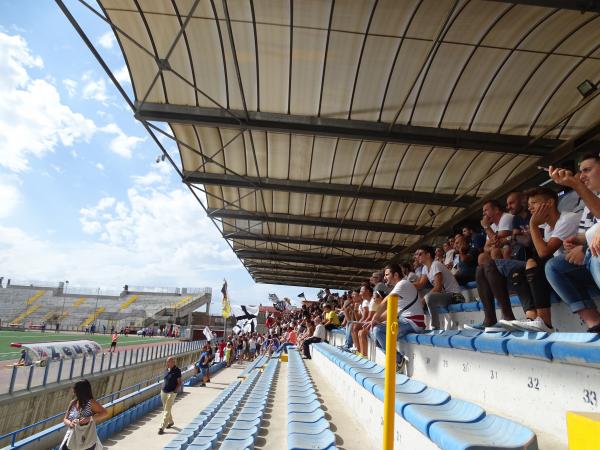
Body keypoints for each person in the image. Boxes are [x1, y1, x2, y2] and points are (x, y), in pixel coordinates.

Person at [61, 379, 107, 450]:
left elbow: (104, 413)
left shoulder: (91, 403)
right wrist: (70, 423)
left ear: (80, 391)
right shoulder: (73, 402)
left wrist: (89, 418)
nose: (73, 391)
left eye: (75, 389)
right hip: (72, 436)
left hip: (85, 438)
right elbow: (65, 419)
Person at [158, 356, 181, 435]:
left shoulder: (177, 370)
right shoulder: (166, 369)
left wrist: (175, 391)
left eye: (168, 362)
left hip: (171, 392)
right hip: (163, 392)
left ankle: (162, 427)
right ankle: (170, 422)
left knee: (167, 409)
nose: (167, 363)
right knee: (166, 409)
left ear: (173, 362)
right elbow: (165, 380)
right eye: (167, 362)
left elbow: (179, 382)